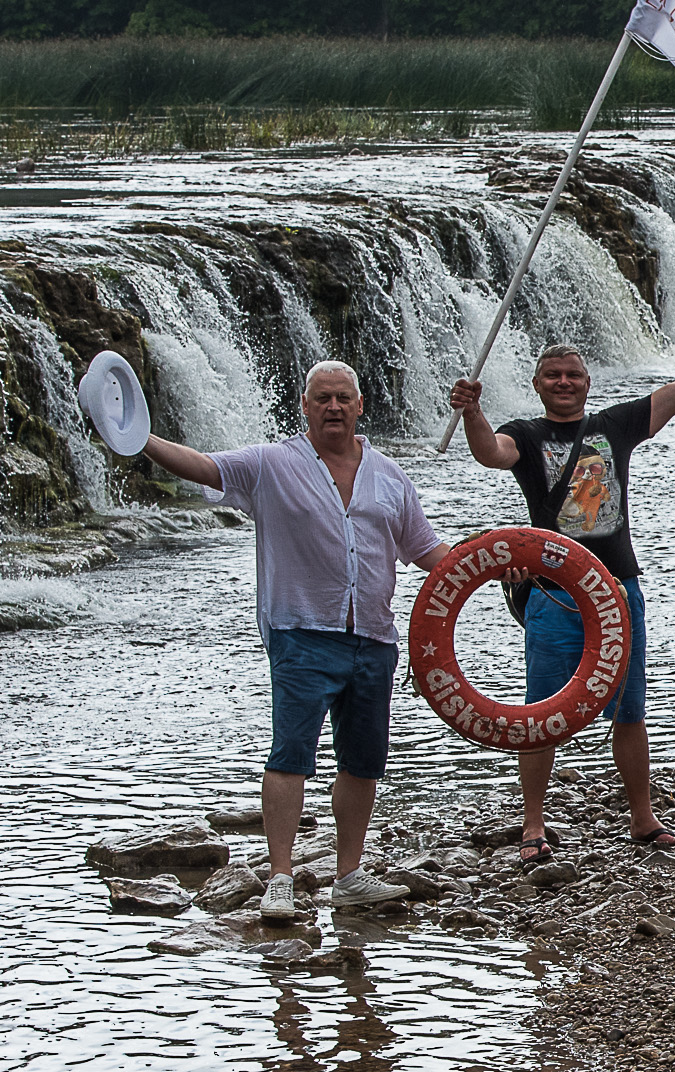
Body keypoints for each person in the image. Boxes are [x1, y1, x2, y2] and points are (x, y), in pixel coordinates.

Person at [448, 313, 675, 865]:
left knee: (630, 711)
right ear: (537, 384)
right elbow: (490, 453)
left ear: (587, 382)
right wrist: (472, 412)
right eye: (552, 375)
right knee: (540, 712)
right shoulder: (527, 436)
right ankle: (533, 825)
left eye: (572, 374)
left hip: (618, 590)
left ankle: (643, 818)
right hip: (554, 597)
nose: (564, 382)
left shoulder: (614, 426)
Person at [136, 362, 450, 923]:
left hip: (373, 636)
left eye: (343, 398)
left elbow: (427, 551)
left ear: (360, 406)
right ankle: (279, 879)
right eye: (322, 398)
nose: (333, 406)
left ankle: (348, 876)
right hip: (301, 631)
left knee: (364, 762)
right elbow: (204, 468)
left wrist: (500, 561)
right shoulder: (270, 465)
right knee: (290, 757)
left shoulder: (390, 476)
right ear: (304, 406)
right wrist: (138, 436)